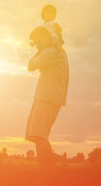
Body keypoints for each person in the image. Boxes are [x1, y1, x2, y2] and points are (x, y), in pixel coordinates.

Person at [25, 26, 69, 168]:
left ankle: (48, 169)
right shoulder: (54, 50)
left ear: (48, 38)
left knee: (39, 135)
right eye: (35, 42)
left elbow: (30, 66)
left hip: (47, 97)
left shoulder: (50, 52)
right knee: (37, 135)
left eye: (38, 40)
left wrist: (40, 50)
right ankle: (47, 168)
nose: (37, 44)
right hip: (47, 96)